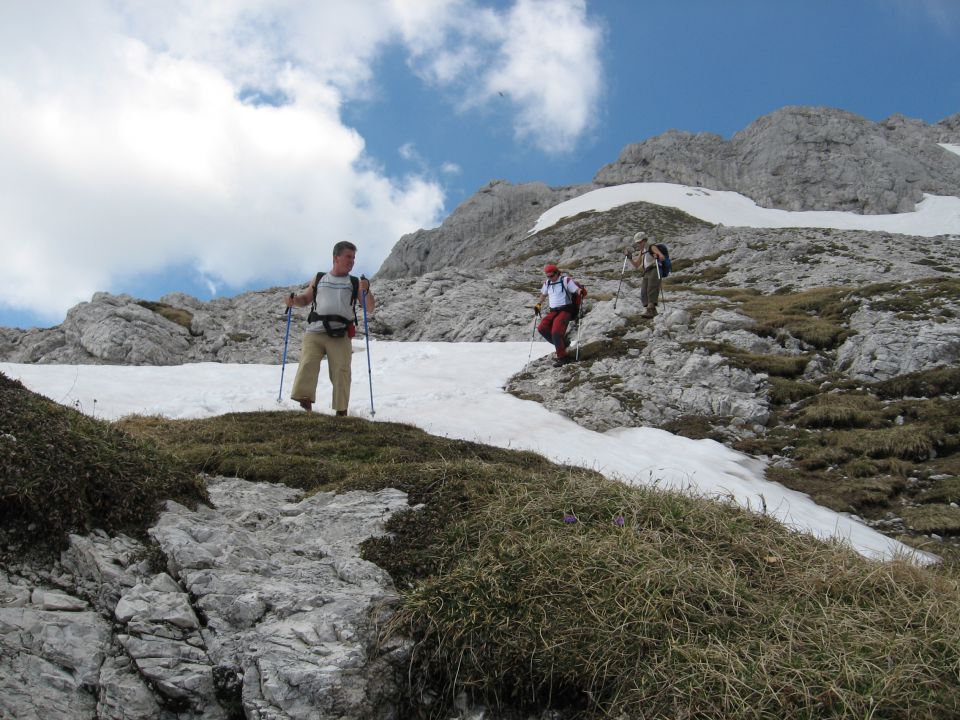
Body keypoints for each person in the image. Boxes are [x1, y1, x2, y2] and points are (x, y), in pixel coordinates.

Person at [285, 241, 374, 416]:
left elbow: (369, 307)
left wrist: (367, 290)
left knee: (341, 370)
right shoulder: (319, 278)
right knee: (308, 363)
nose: (352, 261)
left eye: (354, 258)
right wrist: (293, 301)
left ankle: (341, 412)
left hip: (340, 333)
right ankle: (305, 404)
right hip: (315, 332)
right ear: (336, 258)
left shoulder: (355, 283)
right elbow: (305, 299)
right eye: (348, 257)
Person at [534, 263, 583, 367]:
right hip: (553, 311)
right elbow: (543, 294)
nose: (550, 278)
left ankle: (563, 357)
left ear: (557, 273)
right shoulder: (547, 283)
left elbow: (577, 290)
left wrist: (581, 292)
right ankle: (563, 344)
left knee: (556, 333)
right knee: (542, 328)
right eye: (548, 276)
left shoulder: (566, 281)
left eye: (551, 276)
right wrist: (538, 305)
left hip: (565, 310)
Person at [627, 231, 666, 318]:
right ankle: (652, 310)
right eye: (637, 243)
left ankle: (650, 310)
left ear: (644, 240)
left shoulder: (652, 247)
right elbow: (637, 265)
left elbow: (662, 257)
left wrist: (657, 256)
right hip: (647, 271)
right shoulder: (642, 251)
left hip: (655, 269)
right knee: (644, 291)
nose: (638, 244)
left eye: (640, 242)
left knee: (651, 288)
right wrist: (630, 258)